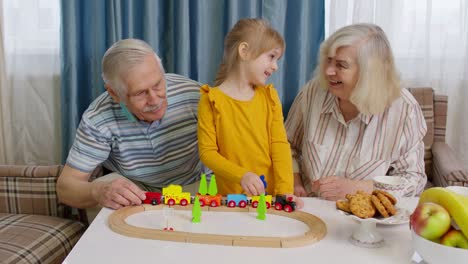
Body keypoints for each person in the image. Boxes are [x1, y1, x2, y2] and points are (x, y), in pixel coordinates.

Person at [57, 39, 206, 210]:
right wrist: (97, 191)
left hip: (194, 184)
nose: (155, 100)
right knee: (106, 184)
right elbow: (65, 188)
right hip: (136, 192)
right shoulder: (97, 119)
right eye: (140, 93)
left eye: (158, 84)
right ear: (114, 94)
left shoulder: (194, 95)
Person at [285, 23, 427, 201]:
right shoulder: (314, 91)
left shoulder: (404, 110)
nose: (328, 71)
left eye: (341, 65)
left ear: (370, 73)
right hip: (309, 207)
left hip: (366, 218)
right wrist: (295, 181)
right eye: (328, 60)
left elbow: (414, 180)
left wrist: (359, 189)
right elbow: (286, 145)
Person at [197, 18, 301, 207]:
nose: (275, 66)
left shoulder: (269, 97)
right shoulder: (210, 100)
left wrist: (285, 190)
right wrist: (241, 175)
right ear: (244, 51)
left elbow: (279, 145)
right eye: (271, 56)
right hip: (230, 201)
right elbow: (207, 153)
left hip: (269, 198)